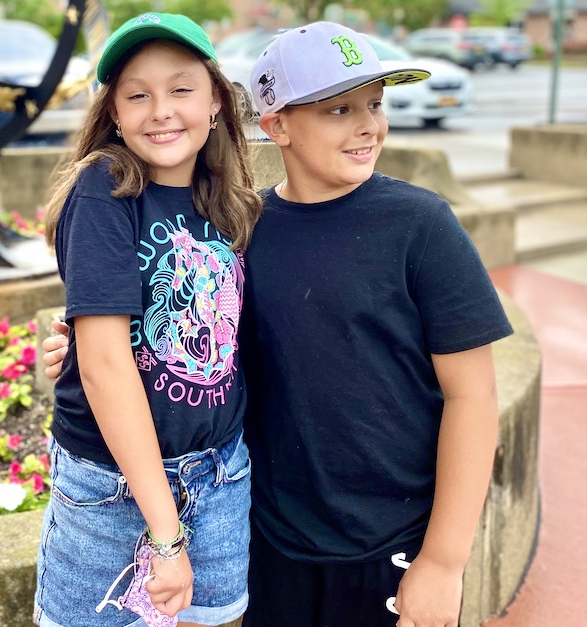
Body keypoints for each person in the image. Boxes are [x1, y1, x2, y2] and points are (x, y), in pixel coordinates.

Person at [42, 21, 514, 627]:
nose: (367, 125)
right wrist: (86, 346)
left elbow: (474, 394)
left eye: (375, 104)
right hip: (269, 536)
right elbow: (196, 329)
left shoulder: (420, 225)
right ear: (278, 125)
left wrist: (445, 562)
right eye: (338, 108)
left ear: (216, 104)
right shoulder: (244, 225)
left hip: (391, 540)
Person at [33, 12, 263, 627]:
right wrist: (166, 536)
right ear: (113, 111)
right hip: (112, 486)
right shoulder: (105, 188)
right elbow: (107, 366)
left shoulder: (229, 203)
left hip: (219, 472)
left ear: (215, 101)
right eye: (137, 95)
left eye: (181, 89)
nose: (161, 111)